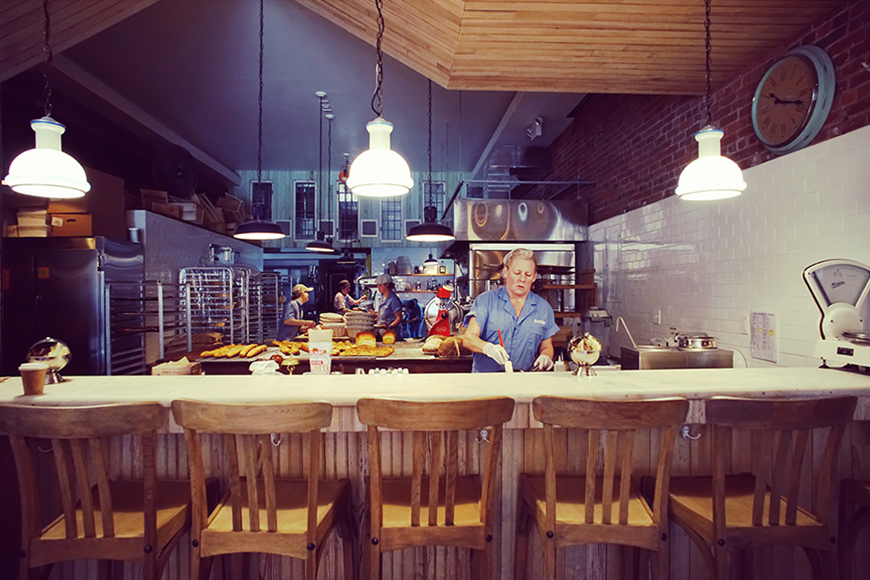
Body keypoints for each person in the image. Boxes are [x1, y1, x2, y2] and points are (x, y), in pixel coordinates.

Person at [463, 248, 559, 372]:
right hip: (487, 379)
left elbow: (546, 346)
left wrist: (546, 356)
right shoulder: (485, 301)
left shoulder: (543, 308)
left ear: (534, 277)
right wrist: (487, 348)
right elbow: (469, 339)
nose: (522, 279)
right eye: (517, 273)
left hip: (524, 379)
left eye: (528, 274)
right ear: (505, 272)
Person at [373, 273, 403, 339]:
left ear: (387, 284)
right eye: (377, 285)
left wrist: (390, 326)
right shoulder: (382, 297)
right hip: (382, 333)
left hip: (391, 334)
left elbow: (399, 317)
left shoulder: (393, 299)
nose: (378, 287)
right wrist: (374, 315)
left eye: (380, 285)